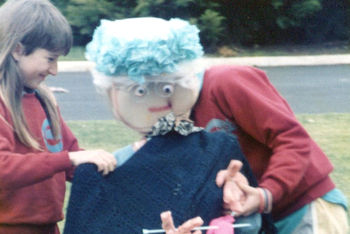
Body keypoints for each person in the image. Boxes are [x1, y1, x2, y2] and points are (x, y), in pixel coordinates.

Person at [83, 17, 348, 233]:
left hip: (302, 207)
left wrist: (267, 193)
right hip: (250, 220)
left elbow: (292, 138)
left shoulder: (226, 82)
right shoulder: (164, 121)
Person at [63, 17, 271, 234]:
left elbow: (250, 225)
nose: (155, 100)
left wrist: (235, 209)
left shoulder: (220, 150)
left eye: (166, 88)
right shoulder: (100, 175)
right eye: (141, 90)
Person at [0, 0, 116, 233]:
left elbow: (73, 156)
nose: (54, 71)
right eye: (50, 58)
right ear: (18, 50)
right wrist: (68, 159)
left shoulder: (44, 101)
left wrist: (123, 162)